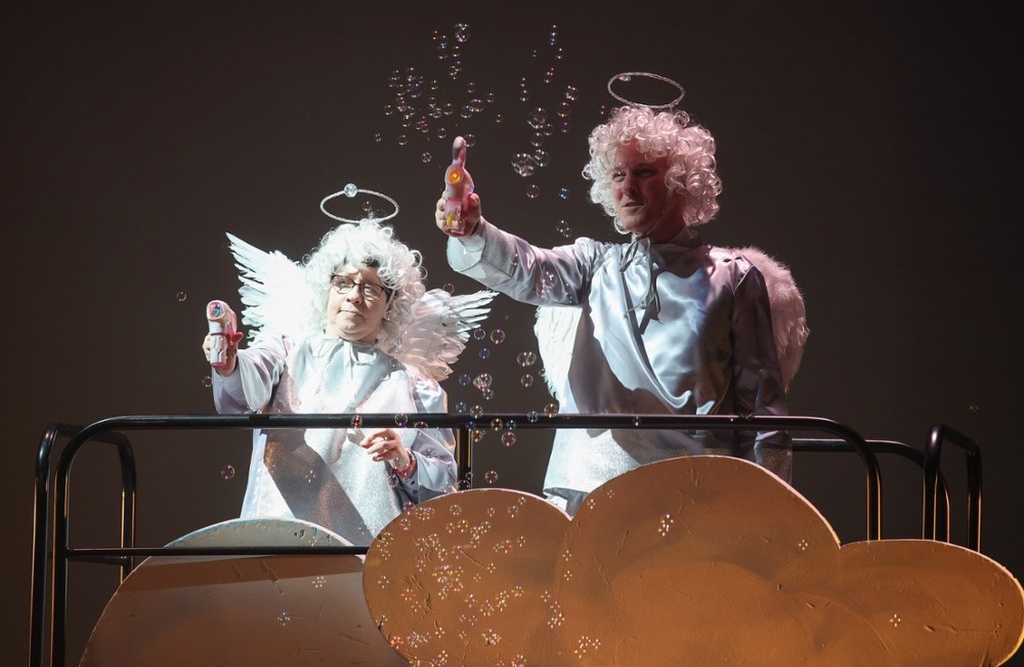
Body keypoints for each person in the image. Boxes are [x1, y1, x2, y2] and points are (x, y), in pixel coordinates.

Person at [437, 104, 806, 516]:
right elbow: (529, 268)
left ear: (680, 181)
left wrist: (771, 513)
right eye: (617, 174)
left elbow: (763, 410)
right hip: (588, 492)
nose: (628, 187)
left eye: (644, 172)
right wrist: (473, 230)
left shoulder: (733, 277)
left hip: (694, 498)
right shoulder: (594, 265)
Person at [204, 218, 494, 544]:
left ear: (390, 304)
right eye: (344, 282)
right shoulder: (284, 352)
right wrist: (229, 364)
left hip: (370, 554)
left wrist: (404, 459)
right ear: (327, 288)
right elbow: (242, 395)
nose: (354, 295)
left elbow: (444, 484)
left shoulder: (414, 385)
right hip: (277, 543)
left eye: (370, 288)